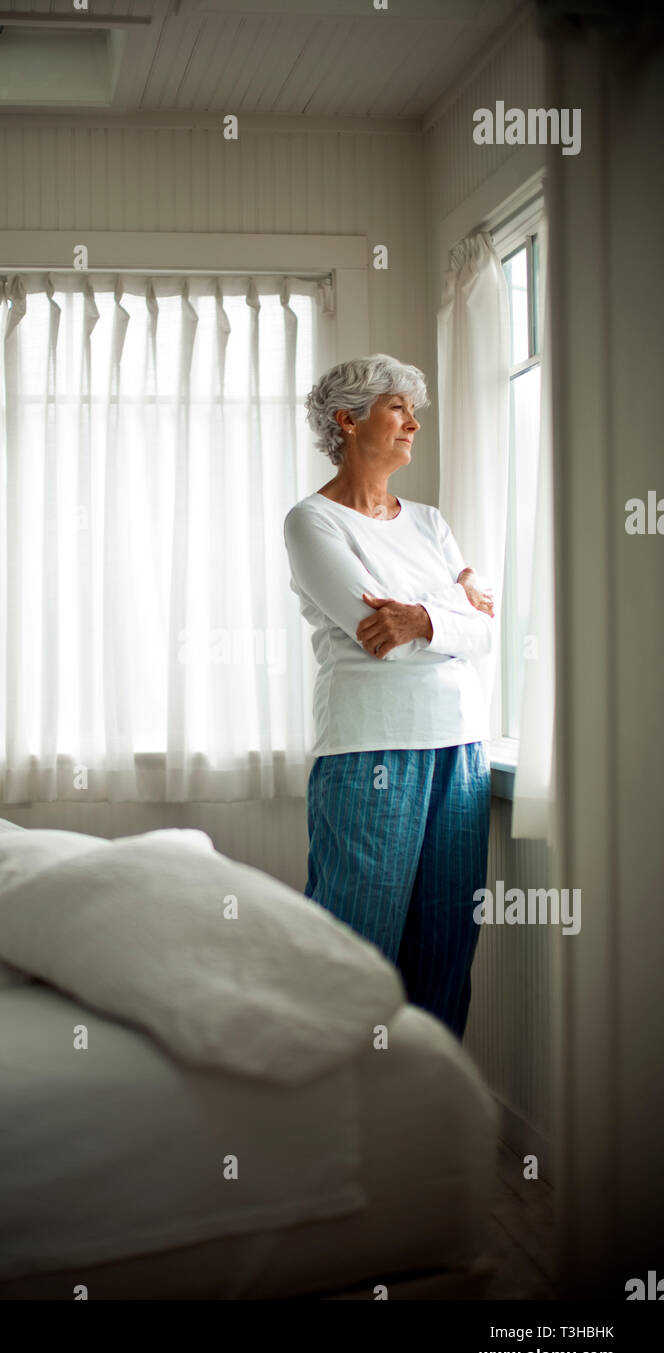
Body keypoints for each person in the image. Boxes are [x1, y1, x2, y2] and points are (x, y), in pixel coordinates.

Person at [283, 353, 495, 1040]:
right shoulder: (312, 522)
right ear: (348, 420)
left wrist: (428, 614)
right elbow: (384, 640)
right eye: (397, 407)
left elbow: (485, 629)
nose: (414, 423)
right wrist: (448, 605)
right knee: (356, 950)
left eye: (413, 409)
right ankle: (337, 1123)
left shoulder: (430, 523)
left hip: (460, 749)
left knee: (444, 952)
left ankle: (423, 1123)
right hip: (370, 749)